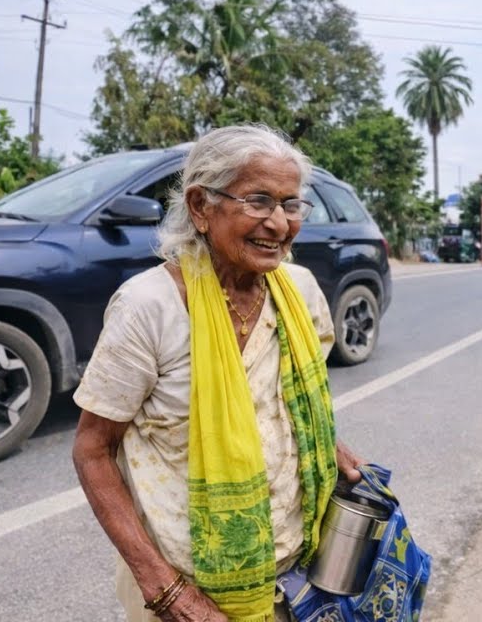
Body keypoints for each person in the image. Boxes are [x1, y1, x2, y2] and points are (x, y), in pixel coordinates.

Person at [73, 125, 363, 622]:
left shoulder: (301, 291)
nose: (279, 223)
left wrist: (326, 445)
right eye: (258, 201)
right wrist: (164, 589)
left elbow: (291, 401)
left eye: (292, 205)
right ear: (201, 207)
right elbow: (93, 450)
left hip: (295, 578)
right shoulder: (150, 306)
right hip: (184, 591)